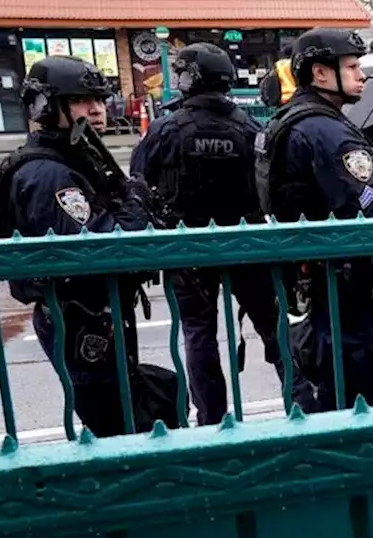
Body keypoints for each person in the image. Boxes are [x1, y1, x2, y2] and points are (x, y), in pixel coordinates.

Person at [0, 56, 173, 437]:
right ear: (45, 106)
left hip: (95, 313)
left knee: (144, 404)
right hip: (79, 317)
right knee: (117, 424)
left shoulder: (77, 157)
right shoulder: (49, 173)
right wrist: (136, 207)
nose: (96, 110)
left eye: (99, 100)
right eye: (80, 101)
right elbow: (97, 250)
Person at [131, 42, 306, 426]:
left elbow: (138, 186)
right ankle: (299, 407)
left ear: (187, 79)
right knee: (274, 330)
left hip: (188, 248)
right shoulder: (248, 126)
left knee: (199, 335)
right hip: (247, 245)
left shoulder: (166, 129)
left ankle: (212, 420)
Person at [255, 28, 373, 412]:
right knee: (357, 394)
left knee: (335, 387)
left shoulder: (303, 118)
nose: (362, 75)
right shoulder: (323, 129)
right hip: (339, 282)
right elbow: (365, 204)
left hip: (318, 280)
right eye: (353, 67)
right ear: (321, 74)